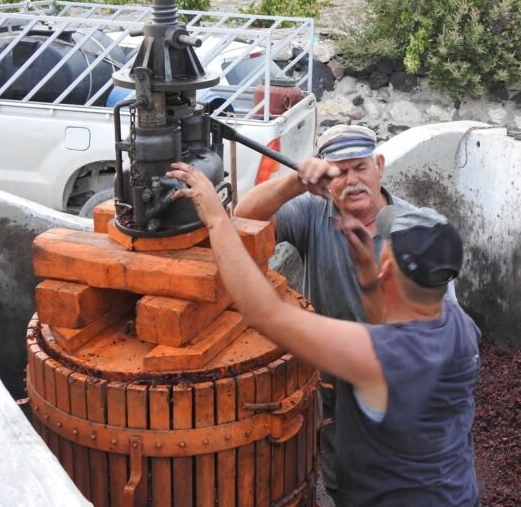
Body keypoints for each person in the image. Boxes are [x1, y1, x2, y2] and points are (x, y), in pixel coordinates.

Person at [166, 159, 482, 506]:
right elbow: (388, 323)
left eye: (384, 242)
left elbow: (265, 312)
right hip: (455, 493)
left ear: (388, 270)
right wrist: (365, 270)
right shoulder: (457, 324)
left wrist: (215, 217)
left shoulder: (383, 355)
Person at [233, 124, 417, 499]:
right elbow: (244, 218)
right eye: (339, 172)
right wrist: (295, 181)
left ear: (379, 165)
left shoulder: (416, 229)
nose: (352, 181)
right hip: (334, 386)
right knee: (343, 478)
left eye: (361, 168)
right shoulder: (314, 214)